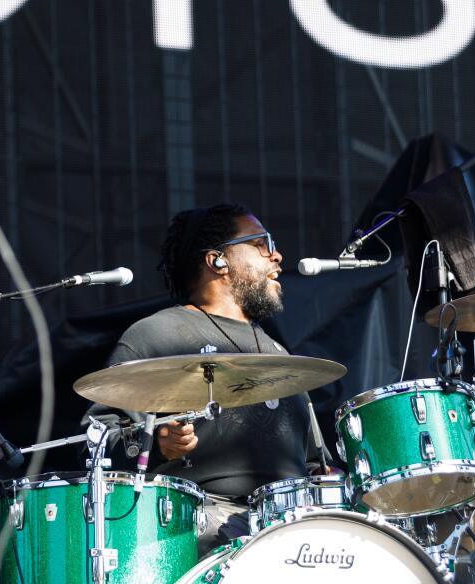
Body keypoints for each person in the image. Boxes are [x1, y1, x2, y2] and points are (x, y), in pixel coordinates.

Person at [85, 204, 327, 554]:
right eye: (262, 243)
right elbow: (96, 440)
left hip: (295, 523)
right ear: (218, 261)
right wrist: (156, 443)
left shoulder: (278, 352)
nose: (277, 255)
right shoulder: (157, 336)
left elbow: (315, 463)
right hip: (204, 523)